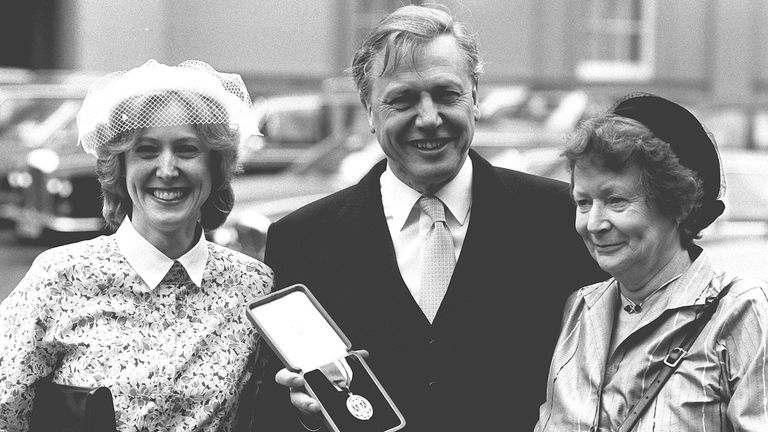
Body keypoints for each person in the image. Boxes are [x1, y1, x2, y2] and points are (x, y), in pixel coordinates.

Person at [260, 5, 605, 431]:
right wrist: (306, 418)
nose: (428, 118)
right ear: (369, 110)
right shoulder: (302, 239)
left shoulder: (559, 218)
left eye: (446, 94)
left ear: (475, 98)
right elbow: (273, 412)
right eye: (402, 99)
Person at [0, 60, 273, 431]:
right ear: (121, 168)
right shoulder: (60, 278)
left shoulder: (254, 287)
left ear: (215, 167)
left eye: (187, 149)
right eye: (146, 151)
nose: (167, 169)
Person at [534, 93, 768, 431]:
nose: (594, 223)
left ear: (675, 204)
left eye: (615, 200)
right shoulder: (580, 309)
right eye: (583, 202)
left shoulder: (742, 314)